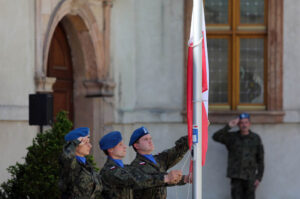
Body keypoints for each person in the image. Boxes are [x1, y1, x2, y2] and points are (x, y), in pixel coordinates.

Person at [99, 131, 182, 199]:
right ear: (110, 149)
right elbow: (137, 180)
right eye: (120, 145)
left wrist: (181, 179)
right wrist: (166, 178)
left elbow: (149, 176)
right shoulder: (109, 171)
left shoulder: (125, 168)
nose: (125, 147)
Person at [129, 126, 191, 199]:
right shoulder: (135, 167)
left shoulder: (159, 159)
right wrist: (167, 177)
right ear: (136, 145)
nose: (150, 141)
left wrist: (195, 134)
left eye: (150, 138)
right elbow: (149, 180)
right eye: (146, 139)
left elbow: (178, 150)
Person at [212, 113, 264, 199]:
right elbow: (215, 136)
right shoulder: (232, 137)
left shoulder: (255, 138)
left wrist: (259, 177)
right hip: (236, 177)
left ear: (249, 123)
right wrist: (229, 126)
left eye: (246, 122)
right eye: (242, 123)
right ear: (238, 124)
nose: (244, 125)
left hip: (250, 177)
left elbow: (260, 159)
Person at [59, 127, 102, 199]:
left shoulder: (87, 165)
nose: (90, 146)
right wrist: (75, 142)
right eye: (85, 143)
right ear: (76, 146)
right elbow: (67, 157)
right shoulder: (71, 165)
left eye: (89, 142)